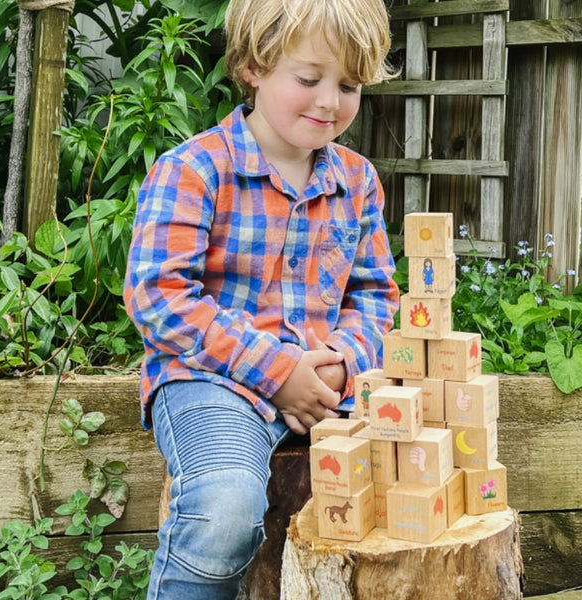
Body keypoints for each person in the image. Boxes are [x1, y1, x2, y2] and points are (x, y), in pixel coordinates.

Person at [124, 0, 399, 597]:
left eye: (349, 85)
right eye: (309, 79)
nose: (330, 101)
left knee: (412, 484)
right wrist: (278, 372)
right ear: (253, 66)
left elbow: (375, 293)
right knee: (224, 508)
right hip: (211, 381)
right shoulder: (193, 170)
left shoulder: (355, 181)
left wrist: (340, 361)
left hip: (328, 388)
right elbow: (158, 296)